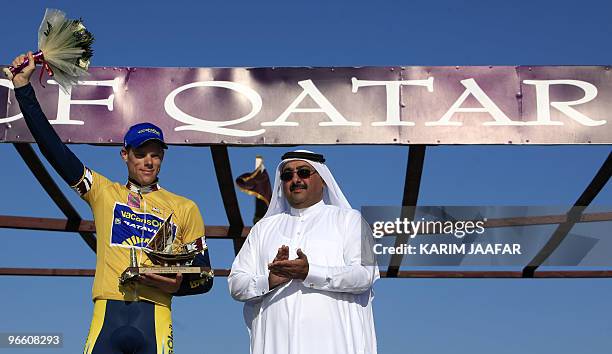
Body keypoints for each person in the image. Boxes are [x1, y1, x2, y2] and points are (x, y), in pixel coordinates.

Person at [10, 52, 213, 354]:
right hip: (108, 314)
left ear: (162, 157)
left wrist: (176, 285)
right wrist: (23, 87)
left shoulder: (185, 207)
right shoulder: (104, 192)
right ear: (125, 155)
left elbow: (205, 277)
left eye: (155, 154)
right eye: (140, 153)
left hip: (154, 315)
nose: (148, 162)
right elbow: (54, 151)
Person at [229, 150, 379, 354]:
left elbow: (364, 274)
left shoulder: (350, 220)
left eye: (304, 172)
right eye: (287, 175)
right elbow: (236, 283)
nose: (295, 179)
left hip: (334, 344)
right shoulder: (263, 229)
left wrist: (309, 272)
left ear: (323, 180)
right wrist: (270, 281)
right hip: (276, 345)